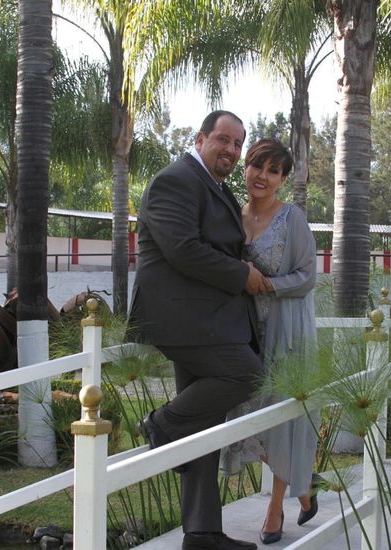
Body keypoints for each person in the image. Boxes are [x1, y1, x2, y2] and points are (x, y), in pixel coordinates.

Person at [126, 110, 267, 550]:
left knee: (202, 424)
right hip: (183, 319)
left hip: (209, 321)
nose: (231, 149)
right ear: (201, 138)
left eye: (238, 143)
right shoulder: (177, 179)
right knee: (247, 375)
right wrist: (240, 274)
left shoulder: (214, 186)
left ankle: (202, 533)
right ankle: (161, 425)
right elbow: (183, 249)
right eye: (223, 139)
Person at [219, 139, 319, 544]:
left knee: (280, 421)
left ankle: (275, 508)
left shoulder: (292, 219)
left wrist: (267, 285)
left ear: (282, 179)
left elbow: (308, 275)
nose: (263, 176)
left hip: (286, 333)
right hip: (243, 334)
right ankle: (304, 484)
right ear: (246, 167)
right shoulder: (231, 217)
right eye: (258, 166)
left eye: (273, 171)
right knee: (241, 417)